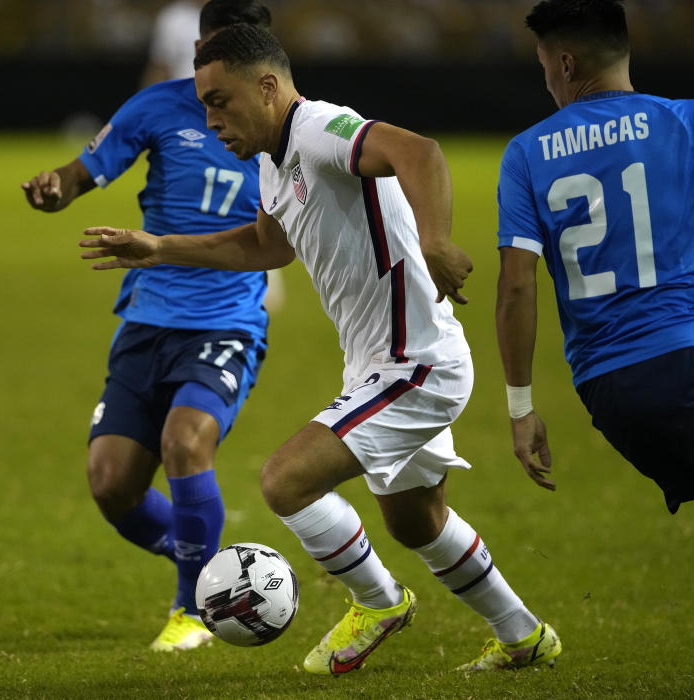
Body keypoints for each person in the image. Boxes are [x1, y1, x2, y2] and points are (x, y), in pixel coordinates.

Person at [80, 23, 561, 675]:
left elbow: (418, 152)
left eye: (220, 101)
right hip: (379, 361)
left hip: (414, 363)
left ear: (269, 87)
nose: (209, 118)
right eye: (202, 104)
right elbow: (264, 246)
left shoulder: (319, 130)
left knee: (285, 482)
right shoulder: (273, 163)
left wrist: (437, 240)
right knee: (417, 522)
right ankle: (523, 634)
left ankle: (379, 601)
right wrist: (160, 246)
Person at [493, 1, 694, 697]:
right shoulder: (692, 120)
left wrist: (522, 407)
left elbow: (516, 288)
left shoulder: (526, 152)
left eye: (542, 67)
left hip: (609, 394)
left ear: (565, 63)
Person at [21, 0, 273, 653]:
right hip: (146, 318)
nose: (205, 78)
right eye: (200, 59)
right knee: (110, 483)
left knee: (185, 445)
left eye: (220, 64)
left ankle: (195, 607)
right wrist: (57, 187)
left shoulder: (284, 129)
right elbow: (84, 170)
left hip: (226, 320)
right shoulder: (157, 106)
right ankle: (214, 564)